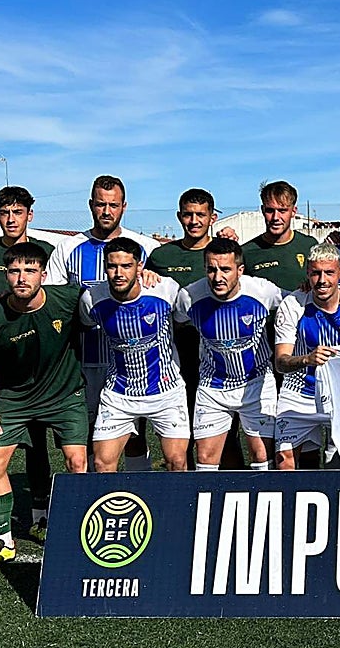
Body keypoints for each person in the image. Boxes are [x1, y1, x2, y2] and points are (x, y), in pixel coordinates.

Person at [0, 243, 88, 569]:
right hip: (13, 399)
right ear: (6, 275)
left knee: (77, 461)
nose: (22, 278)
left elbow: (107, 293)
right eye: (15, 271)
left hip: (65, 395)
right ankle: (2, 541)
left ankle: (78, 533)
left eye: (30, 270)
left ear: (43, 274)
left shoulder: (67, 299)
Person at [47, 175, 159, 471]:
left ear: (124, 207)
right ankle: (92, 494)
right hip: (84, 359)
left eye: (113, 205)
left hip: (134, 360)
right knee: (88, 433)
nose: (106, 211)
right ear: (91, 205)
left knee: (136, 432)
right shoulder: (68, 248)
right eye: (100, 205)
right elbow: (55, 302)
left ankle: (140, 489)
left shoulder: (146, 247)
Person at [0, 186, 56, 542]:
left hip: (33, 360)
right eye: (4, 213)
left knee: (37, 441)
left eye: (18, 212)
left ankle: (40, 512)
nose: (11, 219)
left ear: (29, 215)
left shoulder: (46, 252)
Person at [146, 189, 245, 470]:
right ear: (179, 216)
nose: (194, 221)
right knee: (184, 429)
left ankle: (231, 487)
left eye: (200, 215)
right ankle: (189, 492)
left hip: (223, 358)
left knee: (226, 433)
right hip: (179, 356)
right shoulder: (162, 256)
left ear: (212, 217)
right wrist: (147, 275)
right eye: (188, 214)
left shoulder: (225, 251)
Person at [174, 239, 285, 471]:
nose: (217, 277)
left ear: (240, 270)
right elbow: (176, 319)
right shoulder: (189, 297)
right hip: (213, 385)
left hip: (256, 382)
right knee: (205, 458)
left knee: (262, 455)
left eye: (225, 269)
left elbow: (293, 303)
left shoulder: (263, 290)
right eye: (211, 269)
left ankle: (261, 504)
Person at [80, 237, 188, 472]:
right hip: (119, 393)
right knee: (101, 463)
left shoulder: (165, 289)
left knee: (177, 462)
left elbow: (181, 320)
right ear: (104, 266)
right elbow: (84, 323)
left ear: (140, 267)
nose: (119, 273)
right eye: (112, 266)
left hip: (166, 391)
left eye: (126, 266)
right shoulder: (92, 299)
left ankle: (172, 508)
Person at [273, 243, 340, 469]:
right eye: (315, 273)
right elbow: (281, 362)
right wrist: (306, 359)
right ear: (308, 274)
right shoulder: (292, 305)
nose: (322, 280)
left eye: (329, 273)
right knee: (284, 462)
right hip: (298, 393)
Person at [241, 181, 318, 291]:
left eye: (282, 210)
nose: (275, 217)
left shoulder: (309, 245)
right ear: (262, 210)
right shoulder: (246, 252)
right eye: (270, 210)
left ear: (293, 211)